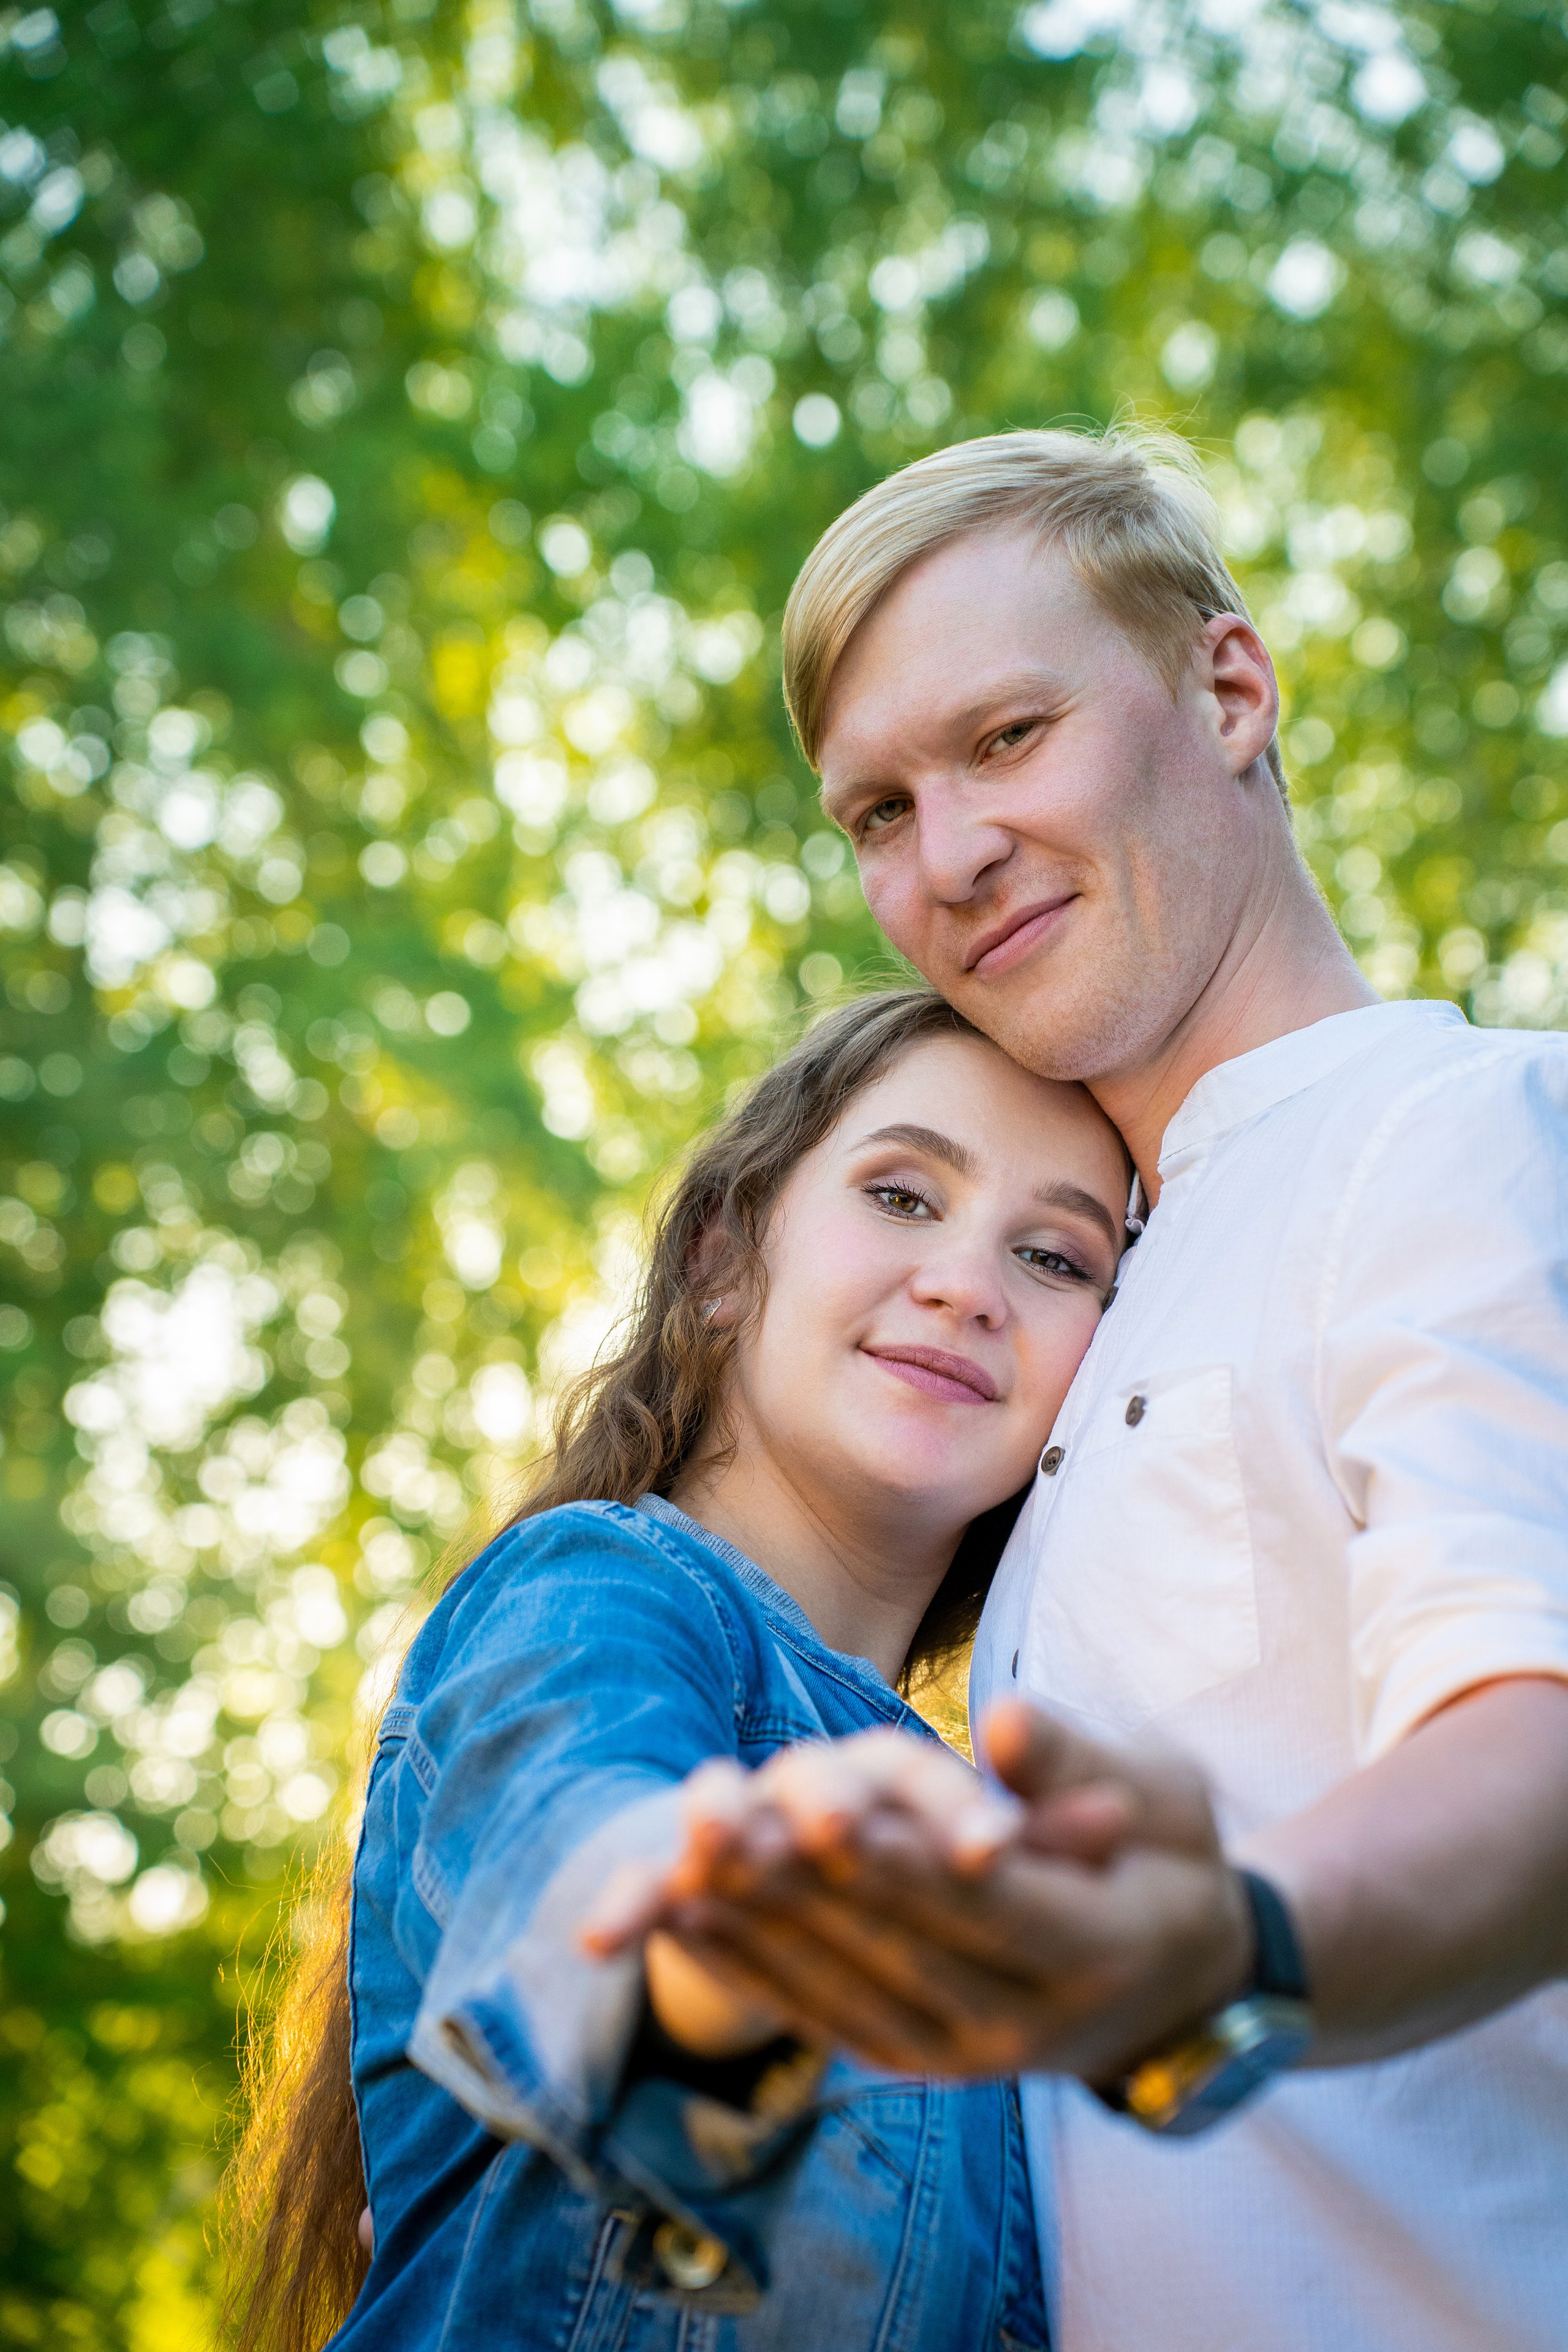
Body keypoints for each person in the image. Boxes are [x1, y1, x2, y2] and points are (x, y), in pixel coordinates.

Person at [618, 427, 1568, 2352]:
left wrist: (1229, 1949)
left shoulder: (1458, 1130)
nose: (947, 856)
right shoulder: (1088, 1310)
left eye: (1005, 739)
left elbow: (1541, 1728)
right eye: (874, 811)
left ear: (1230, 691)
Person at [224, 987, 1134, 2352]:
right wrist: (663, 1962)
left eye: (1055, 1259)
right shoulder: (596, 1591)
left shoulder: (998, 1821)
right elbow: (576, 1843)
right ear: (721, 1255)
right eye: (899, 1195)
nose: (963, 1283)